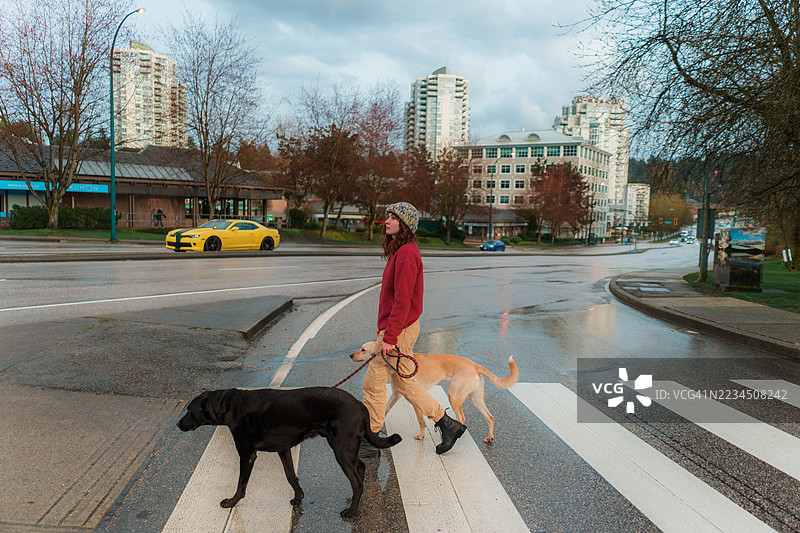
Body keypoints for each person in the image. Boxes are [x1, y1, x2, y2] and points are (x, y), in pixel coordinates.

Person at [360, 202, 466, 457]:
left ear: (404, 224)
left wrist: (390, 337)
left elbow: (403, 300)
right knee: (404, 383)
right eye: (387, 216)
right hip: (399, 328)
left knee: (373, 383)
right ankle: (447, 424)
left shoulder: (407, 254)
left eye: (392, 217)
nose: (386, 221)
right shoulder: (402, 251)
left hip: (399, 329)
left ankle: (370, 438)